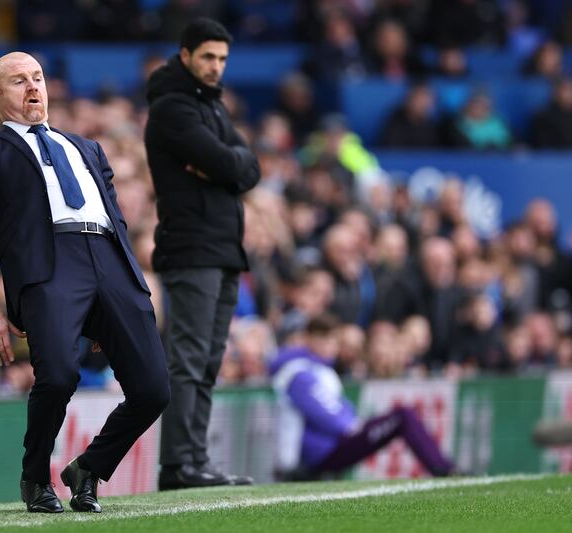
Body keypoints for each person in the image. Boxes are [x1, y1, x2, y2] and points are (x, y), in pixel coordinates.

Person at [0, 52, 169, 513]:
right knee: (57, 377)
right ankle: (35, 478)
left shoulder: (87, 147)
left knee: (154, 388)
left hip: (110, 262)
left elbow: (117, 218)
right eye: (17, 81)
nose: (32, 87)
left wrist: (121, 283)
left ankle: (88, 469)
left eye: (37, 77)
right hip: (49, 267)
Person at [144, 17, 260, 490]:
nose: (216, 67)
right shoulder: (174, 108)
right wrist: (230, 165)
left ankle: (196, 458)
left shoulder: (210, 107)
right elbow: (228, 161)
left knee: (209, 359)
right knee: (189, 358)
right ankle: (178, 464)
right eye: (208, 57)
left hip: (223, 248)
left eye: (223, 59)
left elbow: (248, 167)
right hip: (192, 247)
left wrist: (230, 166)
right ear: (186, 55)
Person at [269, 314, 454, 480]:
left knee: (402, 417)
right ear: (308, 339)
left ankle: (443, 468)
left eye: (333, 341)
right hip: (325, 451)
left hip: (330, 445)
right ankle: (443, 469)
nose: (330, 347)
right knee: (402, 416)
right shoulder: (299, 372)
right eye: (324, 340)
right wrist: (355, 426)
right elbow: (327, 415)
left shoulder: (315, 369)